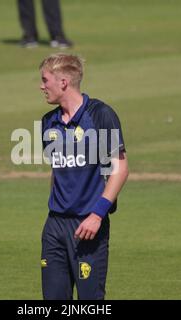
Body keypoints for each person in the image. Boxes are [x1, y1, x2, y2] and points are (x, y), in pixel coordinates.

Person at [39, 53, 129, 299]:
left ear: (63, 82)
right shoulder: (48, 123)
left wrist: (97, 214)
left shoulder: (100, 115)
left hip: (88, 226)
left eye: (45, 80)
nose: (41, 86)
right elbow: (56, 172)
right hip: (55, 226)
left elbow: (120, 169)